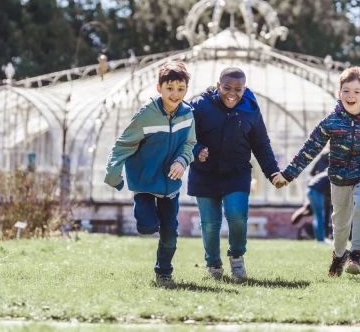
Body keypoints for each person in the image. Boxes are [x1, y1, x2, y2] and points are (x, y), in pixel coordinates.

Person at [273, 66, 360, 277]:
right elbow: (310, 148)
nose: (351, 96)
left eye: (356, 91)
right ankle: (338, 256)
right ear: (340, 94)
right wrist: (288, 174)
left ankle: (356, 253)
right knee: (340, 220)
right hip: (339, 177)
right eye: (346, 91)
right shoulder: (332, 121)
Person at [104, 61, 196, 286]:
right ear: (159, 88)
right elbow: (123, 144)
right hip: (144, 183)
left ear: (186, 90)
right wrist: (114, 173)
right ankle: (146, 219)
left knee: (170, 233)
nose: (175, 94)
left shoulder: (188, 115)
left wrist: (183, 161)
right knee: (147, 226)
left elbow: (191, 143)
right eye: (170, 88)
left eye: (180, 89)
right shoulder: (146, 116)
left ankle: (164, 272)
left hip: (170, 185)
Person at [188, 67, 283, 280]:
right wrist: (197, 150)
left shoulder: (251, 109)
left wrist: (273, 172)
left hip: (236, 172)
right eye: (227, 87)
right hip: (204, 173)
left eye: (238, 89)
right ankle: (213, 265)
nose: (232, 93)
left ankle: (237, 258)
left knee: (237, 215)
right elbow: (187, 135)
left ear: (245, 88)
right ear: (218, 85)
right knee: (210, 224)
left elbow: (261, 144)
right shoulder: (200, 106)